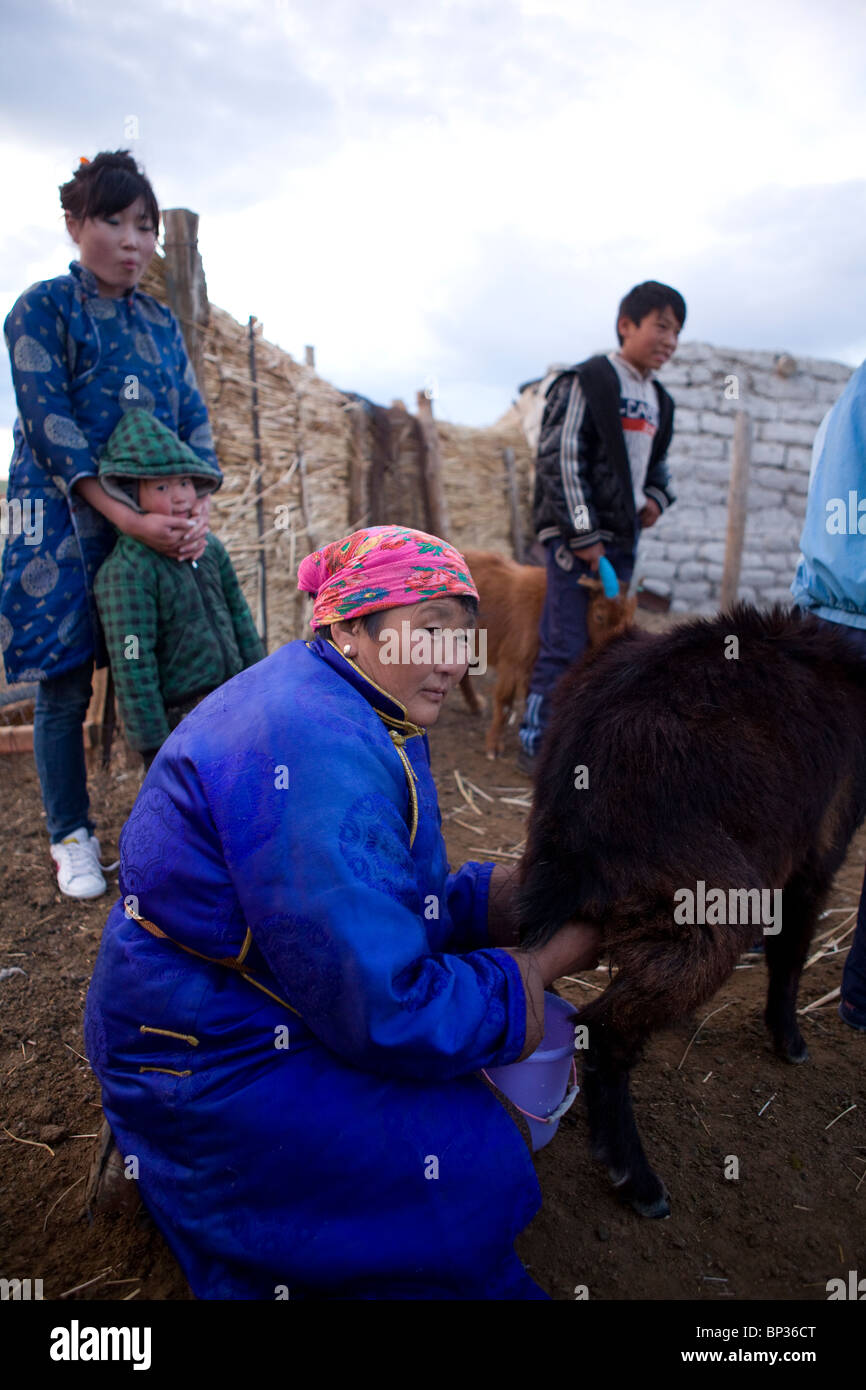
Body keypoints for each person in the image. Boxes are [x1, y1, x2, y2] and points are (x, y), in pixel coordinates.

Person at [83, 524, 602, 1300]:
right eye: (431, 632)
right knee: (464, 1168)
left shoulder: (346, 699)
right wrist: (544, 963)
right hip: (203, 1046)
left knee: (463, 1111)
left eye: (464, 639)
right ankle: (167, 1156)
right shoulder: (311, 742)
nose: (454, 661)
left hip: (255, 993)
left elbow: (379, 902)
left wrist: (509, 898)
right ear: (352, 627)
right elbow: (381, 1006)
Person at [0, 150, 217, 899]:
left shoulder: (160, 323)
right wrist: (124, 515)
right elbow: (50, 420)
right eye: (114, 221)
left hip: (156, 525)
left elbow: (192, 420)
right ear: (73, 224)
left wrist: (196, 511)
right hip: (64, 522)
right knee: (64, 683)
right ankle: (72, 835)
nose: (133, 240)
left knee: (169, 668)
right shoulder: (40, 310)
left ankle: (176, 823)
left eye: (146, 226)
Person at [517, 280, 686, 769]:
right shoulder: (587, 380)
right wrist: (584, 534)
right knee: (565, 640)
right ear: (626, 325)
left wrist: (655, 498)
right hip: (578, 543)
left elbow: (659, 467)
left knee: (613, 646)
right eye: (661, 326)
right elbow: (561, 459)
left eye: (676, 332)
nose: (669, 340)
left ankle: (585, 745)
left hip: (624, 541)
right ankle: (538, 740)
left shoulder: (660, 400)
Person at [93, 410, 264, 767]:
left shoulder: (211, 549)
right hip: (183, 720)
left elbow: (239, 616)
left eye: (185, 482)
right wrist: (153, 745)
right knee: (194, 808)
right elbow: (133, 661)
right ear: (129, 494)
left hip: (234, 697)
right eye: (161, 487)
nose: (180, 496)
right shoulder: (127, 572)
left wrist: (260, 680)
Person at [791, 358, 866, 1033]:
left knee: (808, 809)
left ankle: (758, 929)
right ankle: (862, 995)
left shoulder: (849, 396)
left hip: (824, 621)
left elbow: (822, 501)